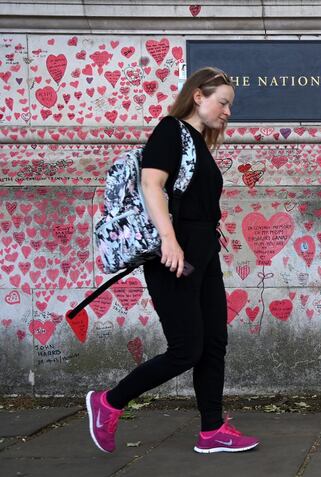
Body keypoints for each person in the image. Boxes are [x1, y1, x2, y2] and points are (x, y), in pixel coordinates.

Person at [86, 67, 259, 454]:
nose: (228, 111)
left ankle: (212, 431)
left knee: (214, 343)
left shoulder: (199, 143)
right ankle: (109, 402)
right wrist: (169, 241)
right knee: (186, 348)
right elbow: (151, 183)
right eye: (223, 102)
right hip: (174, 257)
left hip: (203, 254)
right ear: (198, 96)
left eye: (231, 105)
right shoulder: (170, 130)